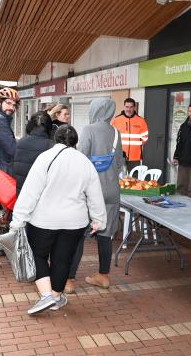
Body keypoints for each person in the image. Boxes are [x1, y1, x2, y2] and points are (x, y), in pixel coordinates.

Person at [10, 125, 107, 315]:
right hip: (75, 222)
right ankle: (55, 298)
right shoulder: (85, 162)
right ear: (76, 142)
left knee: (36, 254)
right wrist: (99, 220)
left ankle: (46, 295)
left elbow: (31, 191)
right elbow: (95, 195)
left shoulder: (45, 158)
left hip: (44, 220)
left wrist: (18, 219)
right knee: (62, 260)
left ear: (55, 139)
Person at [66, 98, 123, 292]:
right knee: (105, 235)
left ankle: (69, 280)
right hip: (112, 190)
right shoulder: (116, 132)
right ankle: (103, 276)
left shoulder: (88, 129)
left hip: (91, 191)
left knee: (78, 235)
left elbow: (80, 158)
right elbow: (119, 164)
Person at [12, 112, 53, 197]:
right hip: (41, 195)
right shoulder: (51, 145)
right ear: (49, 127)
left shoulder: (21, 142)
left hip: (21, 193)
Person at [111, 98, 148, 172]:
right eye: (127, 107)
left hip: (135, 156)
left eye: (131, 107)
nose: (129, 109)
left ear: (134, 108)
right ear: (124, 107)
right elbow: (110, 136)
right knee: (120, 177)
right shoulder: (116, 120)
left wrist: (136, 146)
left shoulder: (141, 121)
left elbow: (145, 136)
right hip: (119, 155)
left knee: (134, 179)